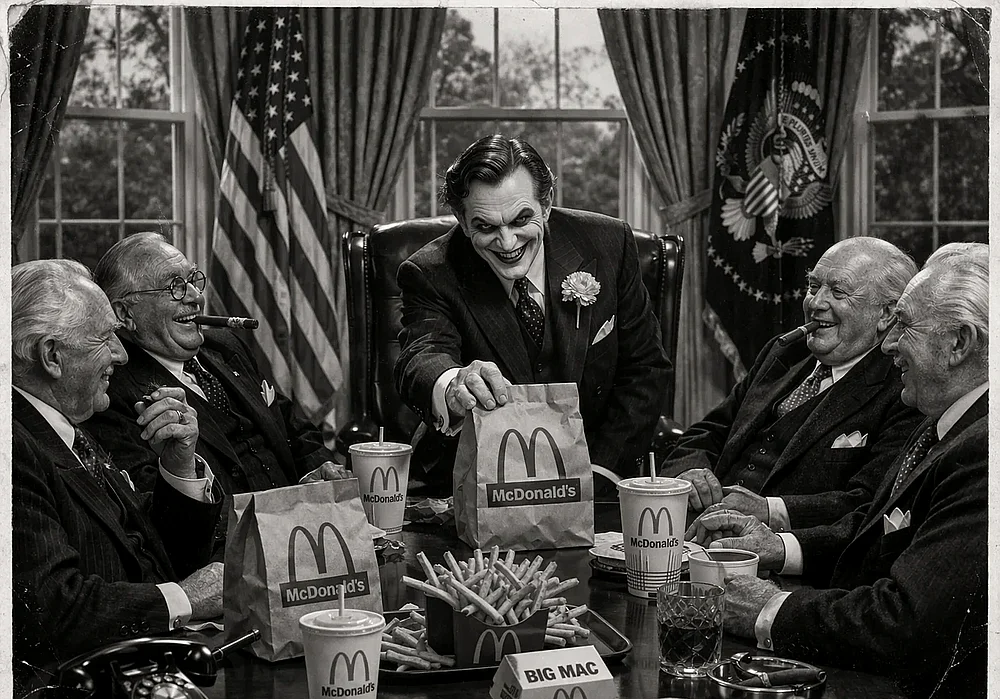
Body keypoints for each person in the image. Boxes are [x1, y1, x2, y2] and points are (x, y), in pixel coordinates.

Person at [689, 242, 988, 699]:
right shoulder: (944, 415)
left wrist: (769, 609)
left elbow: (904, 623)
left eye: (904, 327)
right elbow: (875, 534)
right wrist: (778, 548)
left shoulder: (981, 449)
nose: (888, 344)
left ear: (959, 343)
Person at [394, 134, 670, 496]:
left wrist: (598, 475)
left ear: (547, 204)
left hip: (595, 474)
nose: (507, 243)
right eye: (486, 227)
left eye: (521, 220)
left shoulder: (609, 243)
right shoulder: (430, 271)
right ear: (462, 219)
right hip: (469, 486)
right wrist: (453, 385)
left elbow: (645, 369)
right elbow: (421, 356)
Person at [12, 259, 224, 670]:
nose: (122, 354)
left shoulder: (66, 424)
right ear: (51, 355)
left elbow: (146, 547)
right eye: (105, 337)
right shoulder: (14, 448)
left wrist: (179, 468)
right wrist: (187, 599)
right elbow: (53, 609)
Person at [86, 232, 349, 545]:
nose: (195, 296)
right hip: (230, 554)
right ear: (125, 314)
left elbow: (293, 427)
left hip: (308, 534)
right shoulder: (112, 394)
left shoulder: (227, 347)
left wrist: (319, 474)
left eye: (193, 280)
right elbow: (158, 513)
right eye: (174, 286)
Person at [661, 236, 922, 540]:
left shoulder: (904, 388)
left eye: (838, 292)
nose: (815, 303)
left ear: (886, 314)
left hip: (777, 553)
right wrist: (688, 475)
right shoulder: (785, 352)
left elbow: (866, 503)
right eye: (813, 286)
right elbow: (708, 432)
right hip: (694, 532)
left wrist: (769, 510)